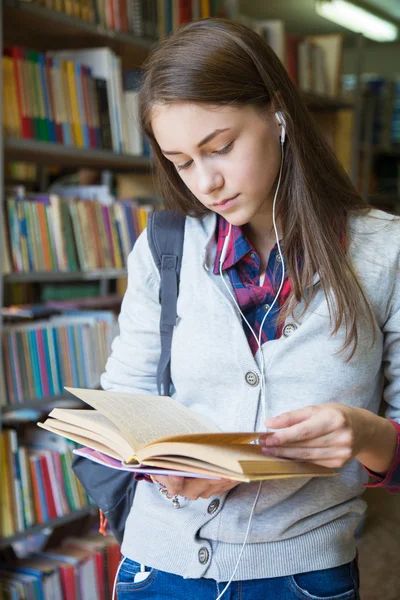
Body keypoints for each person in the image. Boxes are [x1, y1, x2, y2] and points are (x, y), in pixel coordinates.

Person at [101, 18, 400, 600]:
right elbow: (126, 405)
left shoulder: (385, 253)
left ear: (278, 113)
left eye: (221, 147)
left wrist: (366, 434)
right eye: (182, 162)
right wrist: (157, 466)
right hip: (156, 571)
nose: (206, 182)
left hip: (304, 578)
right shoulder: (164, 246)